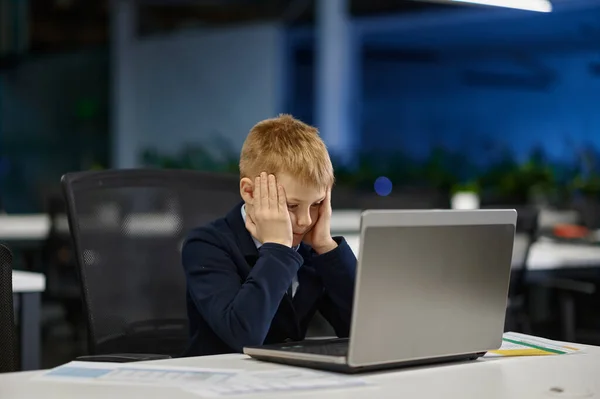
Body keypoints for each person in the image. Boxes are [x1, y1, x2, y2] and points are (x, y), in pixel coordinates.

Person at [181, 114, 357, 356]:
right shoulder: (207, 245)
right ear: (250, 192)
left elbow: (363, 331)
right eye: (292, 206)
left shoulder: (308, 247)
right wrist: (277, 248)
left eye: (316, 204)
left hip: (285, 382)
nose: (306, 220)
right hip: (222, 385)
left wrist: (326, 247)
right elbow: (243, 337)